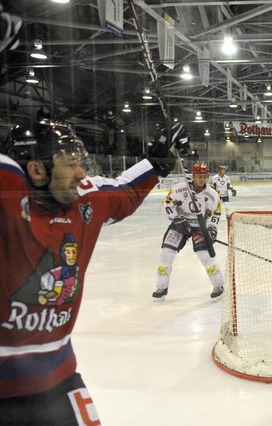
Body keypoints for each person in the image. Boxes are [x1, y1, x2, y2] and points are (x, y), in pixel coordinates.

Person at [0, 120, 188, 423]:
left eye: (80, 162)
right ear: (36, 170)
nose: (81, 173)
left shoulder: (84, 200)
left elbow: (126, 191)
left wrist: (158, 161)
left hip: (57, 379)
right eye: (69, 164)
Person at [153, 163, 224, 302]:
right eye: (199, 176)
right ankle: (161, 287)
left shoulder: (212, 195)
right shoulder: (179, 189)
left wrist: (211, 228)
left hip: (199, 227)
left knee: (205, 256)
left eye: (204, 176)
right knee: (166, 254)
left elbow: (216, 213)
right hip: (180, 224)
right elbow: (166, 204)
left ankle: (219, 286)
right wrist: (176, 219)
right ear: (193, 176)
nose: (201, 179)